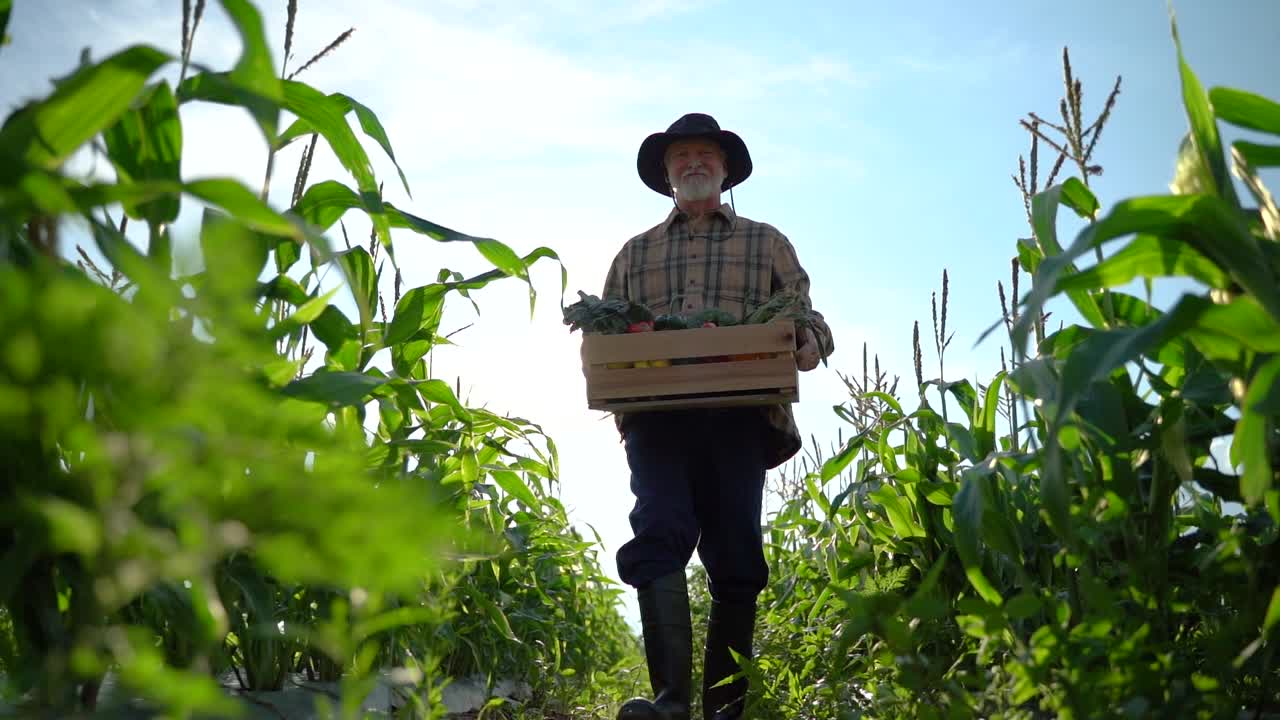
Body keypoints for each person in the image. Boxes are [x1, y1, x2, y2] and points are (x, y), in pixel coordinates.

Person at [601, 113, 835, 720]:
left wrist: (810, 342)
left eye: (706, 154)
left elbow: (806, 313)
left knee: (735, 554)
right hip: (658, 422)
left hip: (741, 415)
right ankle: (671, 704)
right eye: (682, 157)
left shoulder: (767, 242)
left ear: (726, 168)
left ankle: (726, 710)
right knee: (660, 532)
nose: (694, 163)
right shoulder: (635, 253)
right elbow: (608, 330)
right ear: (666, 173)